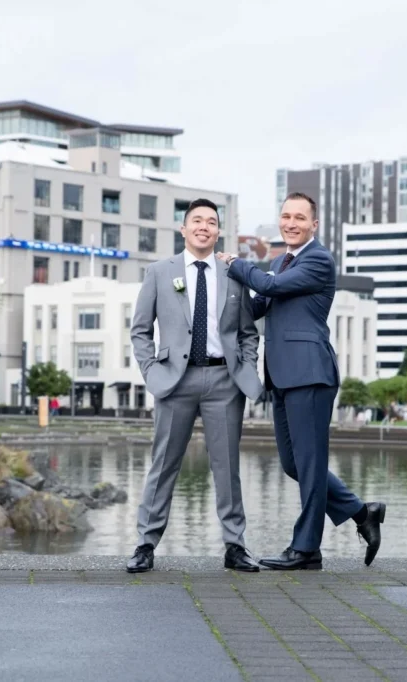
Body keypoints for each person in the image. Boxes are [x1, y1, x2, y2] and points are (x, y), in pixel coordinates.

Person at [218, 192, 386, 570]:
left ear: (314, 224)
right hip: (280, 375)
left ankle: (306, 549)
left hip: (310, 373)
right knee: (295, 465)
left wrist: (235, 263)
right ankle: (363, 512)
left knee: (310, 464)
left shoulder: (319, 260)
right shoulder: (279, 261)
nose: (290, 223)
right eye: (285, 216)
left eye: (299, 217)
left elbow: (272, 287)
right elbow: (259, 303)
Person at [126, 198, 264, 574]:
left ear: (219, 232)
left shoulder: (233, 274)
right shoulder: (159, 271)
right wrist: (152, 372)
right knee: (164, 464)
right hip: (174, 380)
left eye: (212, 222)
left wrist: (245, 368)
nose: (204, 226)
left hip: (224, 381)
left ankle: (235, 546)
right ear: (183, 229)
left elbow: (249, 332)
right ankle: (145, 544)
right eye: (197, 220)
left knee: (227, 468)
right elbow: (140, 330)